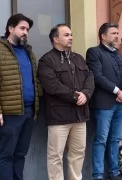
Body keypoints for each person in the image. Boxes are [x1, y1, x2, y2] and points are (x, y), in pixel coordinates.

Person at [0, 13, 39, 180]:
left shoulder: (29, 52)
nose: (25, 32)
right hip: (7, 114)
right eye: (22, 28)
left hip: (28, 112)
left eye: (27, 29)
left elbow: (34, 80)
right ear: (10, 28)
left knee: (20, 154)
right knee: (7, 155)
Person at [37, 24, 95, 180]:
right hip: (58, 117)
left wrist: (86, 93)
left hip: (80, 116)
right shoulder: (46, 60)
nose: (71, 37)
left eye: (71, 34)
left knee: (77, 154)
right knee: (55, 156)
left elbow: (90, 77)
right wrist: (75, 96)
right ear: (55, 39)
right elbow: (52, 86)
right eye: (67, 35)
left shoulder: (78, 58)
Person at [86, 22, 122, 180]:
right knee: (101, 140)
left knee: (115, 139)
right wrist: (117, 91)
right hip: (103, 104)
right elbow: (97, 77)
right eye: (113, 33)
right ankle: (98, 175)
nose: (117, 36)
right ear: (103, 36)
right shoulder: (94, 52)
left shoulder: (119, 55)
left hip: (120, 103)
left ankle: (114, 173)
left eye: (117, 33)